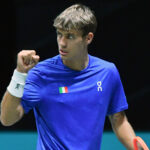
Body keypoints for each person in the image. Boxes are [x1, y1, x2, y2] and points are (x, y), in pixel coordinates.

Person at [0, 3, 137, 150]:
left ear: (88, 38)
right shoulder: (40, 74)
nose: (62, 43)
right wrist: (19, 75)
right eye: (59, 34)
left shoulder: (107, 72)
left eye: (70, 36)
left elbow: (119, 120)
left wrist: (137, 148)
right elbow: (7, 119)